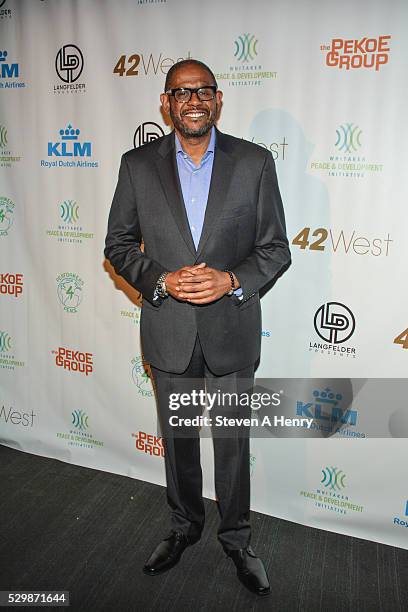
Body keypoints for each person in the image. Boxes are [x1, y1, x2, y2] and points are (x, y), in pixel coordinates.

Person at [104, 59, 291, 597]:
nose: (193, 99)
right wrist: (161, 281)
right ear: (166, 102)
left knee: (232, 442)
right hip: (169, 331)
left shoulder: (254, 163)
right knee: (178, 439)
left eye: (203, 90)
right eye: (181, 92)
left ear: (218, 99)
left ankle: (237, 539)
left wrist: (231, 278)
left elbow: (275, 248)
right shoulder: (137, 166)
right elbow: (117, 246)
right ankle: (183, 526)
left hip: (230, 330)